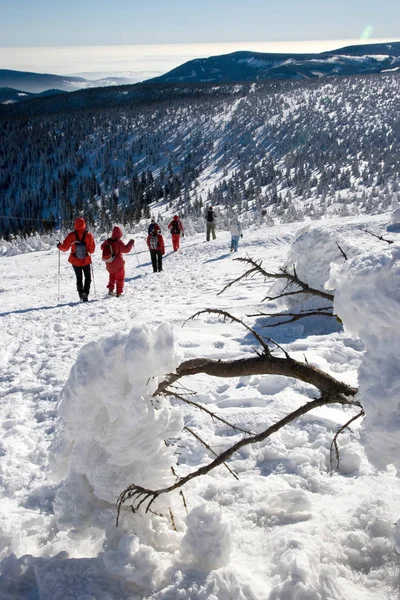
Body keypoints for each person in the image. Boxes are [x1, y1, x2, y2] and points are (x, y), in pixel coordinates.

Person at [57, 217, 96, 302]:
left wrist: (59, 246)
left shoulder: (71, 235)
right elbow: (92, 250)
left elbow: (64, 248)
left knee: (79, 278)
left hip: (75, 260)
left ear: (75, 225)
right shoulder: (89, 235)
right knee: (88, 277)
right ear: (84, 225)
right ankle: (86, 292)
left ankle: (81, 295)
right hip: (85, 260)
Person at [101, 226, 135, 297]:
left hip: (109, 264)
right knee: (120, 278)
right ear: (119, 234)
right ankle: (118, 293)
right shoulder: (118, 242)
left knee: (112, 276)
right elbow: (126, 249)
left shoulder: (107, 241)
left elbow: (102, 247)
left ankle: (110, 290)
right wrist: (130, 243)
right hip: (118, 265)